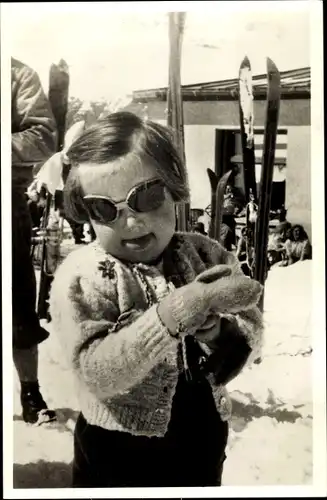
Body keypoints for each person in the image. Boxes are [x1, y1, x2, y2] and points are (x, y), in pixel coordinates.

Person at [49, 112, 264, 488]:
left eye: (146, 197)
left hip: (201, 436)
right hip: (114, 447)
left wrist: (219, 334)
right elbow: (96, 372)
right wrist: (167, 318)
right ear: (86, 213)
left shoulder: (205, 256)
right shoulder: (84, 275)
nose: (130, 223)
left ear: (174, 187)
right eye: (104, 209)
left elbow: (252, 329)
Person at [12, 57, 57, 424]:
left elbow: (42, 137)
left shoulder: (17, 75)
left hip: (5, 200)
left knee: (16, 303)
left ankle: (30, 390)